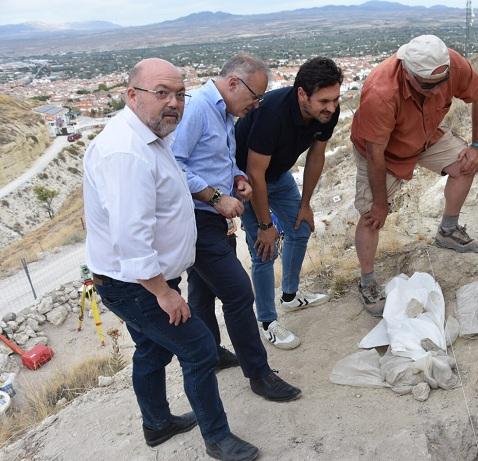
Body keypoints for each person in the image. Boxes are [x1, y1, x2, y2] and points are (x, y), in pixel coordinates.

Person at [84, 58, 259, 460]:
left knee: (152, 349)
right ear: (132, 95)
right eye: (161, 93)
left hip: (142, 280)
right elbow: (131, 239)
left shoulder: (149, 135)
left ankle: (157, 424)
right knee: (198, 349)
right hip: (137, 285)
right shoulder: (126, 153)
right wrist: (163, 293)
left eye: (180, 94)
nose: (174, 103)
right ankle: (218, 439)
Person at [172, 54, 301, 401]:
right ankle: (259, 374)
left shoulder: (226, 112)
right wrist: (216, 197)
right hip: (197, 219)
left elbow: (218, 160)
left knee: (202, 290)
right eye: (255, 96)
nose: (257, 105)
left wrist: (237, 178)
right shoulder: (198, 108)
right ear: (232, 83)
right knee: (240, 293)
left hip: (214, 218)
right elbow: (172, 167)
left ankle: (212, 353)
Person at [350, 35, 478, 316]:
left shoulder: (451, 64)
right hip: (384, 152)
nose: (437, 89)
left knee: (466, 163)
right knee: (371, 217)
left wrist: (477, 146)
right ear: (407, 71)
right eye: (428, 85)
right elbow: (376, 155)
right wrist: (380, 203)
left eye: (442, 82)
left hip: (425, 136)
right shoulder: (381, 92)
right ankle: (367, 282)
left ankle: (448, 231)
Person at [235, 57, 343, 350]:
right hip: (244, 179)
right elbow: (255, 173)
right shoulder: (272, 113)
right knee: (264, 249)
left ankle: (290, 296)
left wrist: (305, 203)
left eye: (335, 99)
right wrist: (266, 225)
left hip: (279, 174)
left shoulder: (327, 112)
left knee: (301, 227)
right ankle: (268, 322)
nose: (331, 107)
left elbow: (316, 156)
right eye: (323, 100)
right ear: (301, 94)